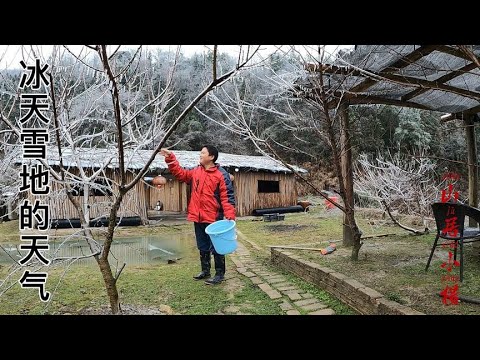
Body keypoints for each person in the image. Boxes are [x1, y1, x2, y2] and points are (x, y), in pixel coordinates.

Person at [157, 145, 236, 285]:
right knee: (202, 245)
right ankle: (205, 271)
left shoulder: (221, 174)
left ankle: (219, 274)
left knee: (216, 247)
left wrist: (229, 215)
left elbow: (227, 197)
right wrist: (170, 158)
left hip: (213, 217)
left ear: (211, 157)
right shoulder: (196, 171)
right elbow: (180, 174)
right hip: (198, 216)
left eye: (203, 153)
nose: (200, 155)